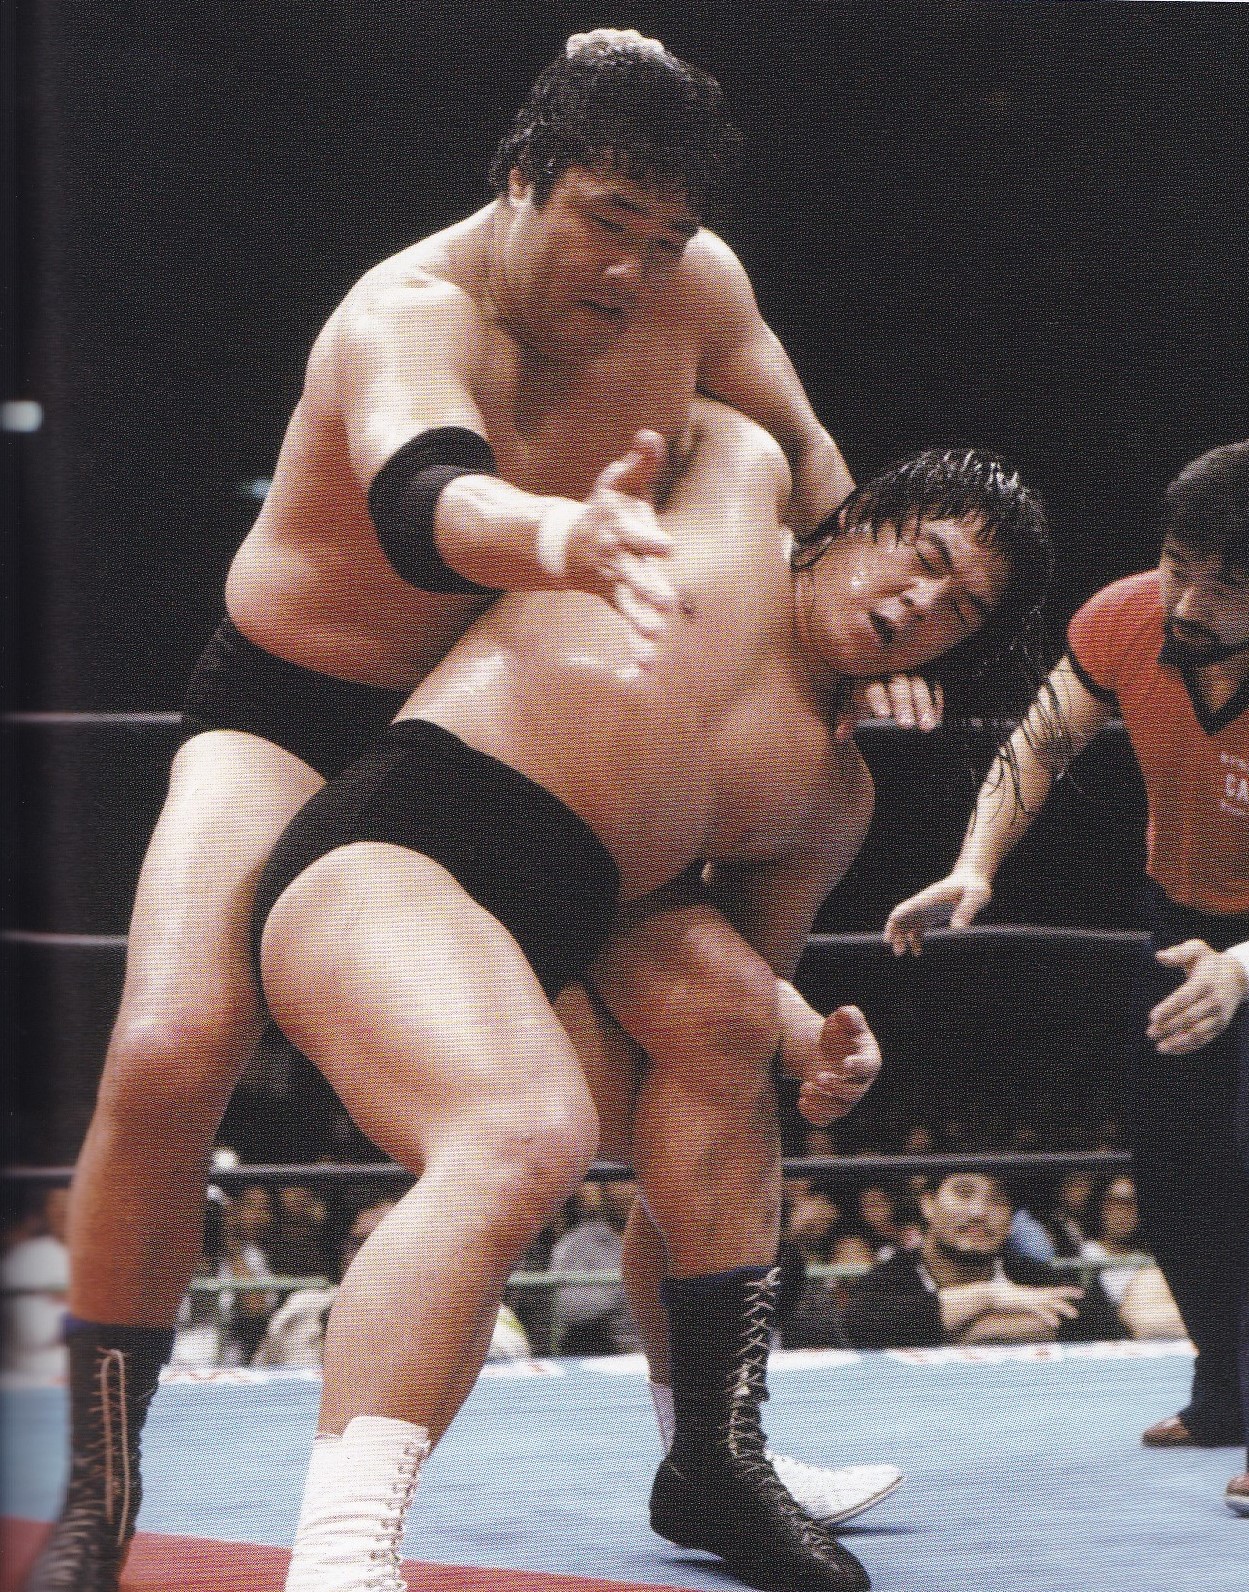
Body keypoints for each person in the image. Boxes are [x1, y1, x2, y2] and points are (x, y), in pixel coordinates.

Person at [30, 33, 910, 1592]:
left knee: (718, 1029)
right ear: (520, 180)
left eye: (664, 235)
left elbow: (813, 462)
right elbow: (423, 495)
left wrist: (856, 658)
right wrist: (563, 540)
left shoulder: (697, 289)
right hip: (305, 710)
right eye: (604, 220)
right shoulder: (407, 309)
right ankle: (101, 1486)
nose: (631, 269)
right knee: (168, 1046)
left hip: (513, 743)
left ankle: (717, 1455)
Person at [249, 409, 1054, 1591]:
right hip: (391, 852)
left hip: (573, 927)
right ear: (856, 517)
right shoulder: (732, 491)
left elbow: (739, 999)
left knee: (730, 1032)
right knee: (524, 1132)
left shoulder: (829, 795)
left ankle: (713, 1453)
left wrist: (810, 1043)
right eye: (920, 557)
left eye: (959, 609)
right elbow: (719, 340)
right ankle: (335, 1556)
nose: (920, 604)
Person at [884, 440, 1249, 1513]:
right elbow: (1039, 743)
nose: (1187, 601)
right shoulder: (1127, 616)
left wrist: (1241, 967)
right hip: (1177, 918)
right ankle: (1225, 1396)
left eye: (1225, 584)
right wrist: (974, 862)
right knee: (1176, 1174)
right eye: (1176, 565)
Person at [843, 1170, 1120, 1349]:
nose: (979, 1212)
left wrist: (969, 1333)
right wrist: (989, 1296)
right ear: (928, 1205)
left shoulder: (1032, 1275)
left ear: (1011, 1220)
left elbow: (1102, 1324)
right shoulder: (891, 1275)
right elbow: (861, 1326)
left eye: (997, 1199)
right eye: (963, 1193)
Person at [549, 1180, 643, 1356]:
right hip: (611, 1355)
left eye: (632, 1179)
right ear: (603, 1189)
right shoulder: (578, 1241)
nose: (628, 1190)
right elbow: (572, 1307)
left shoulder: (670, 1234)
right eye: (617, 1181)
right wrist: (628, 1284)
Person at [0, 1188, 70, 1379]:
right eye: (57, 1208)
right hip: (34, 1372)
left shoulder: (103, 1258)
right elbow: (32, 1332)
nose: (64, 1213)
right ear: (46, 1213)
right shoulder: (26, 1257)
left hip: (86, 1367)